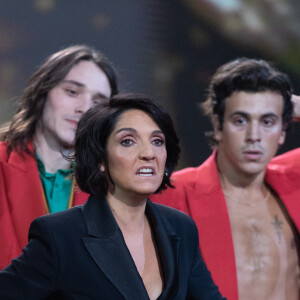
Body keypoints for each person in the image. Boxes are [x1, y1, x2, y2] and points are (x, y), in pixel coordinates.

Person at [0, 94, 225, 299]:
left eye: (157, 141)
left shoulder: (181, 228)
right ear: (100, 160)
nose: (149, 153)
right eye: (128, 141)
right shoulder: (60, 235)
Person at [152, 58, 300, 300]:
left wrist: (289, 103)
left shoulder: (295, 179)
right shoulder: (173, 192)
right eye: (240, 120)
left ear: (283, 131)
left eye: (267, 121)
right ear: (218, 125)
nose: (254, 136)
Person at [0, 45, 118, 269]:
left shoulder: (113, 189)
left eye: (99, 102)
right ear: (42, 93)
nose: (84, 108)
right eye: (72, 92)